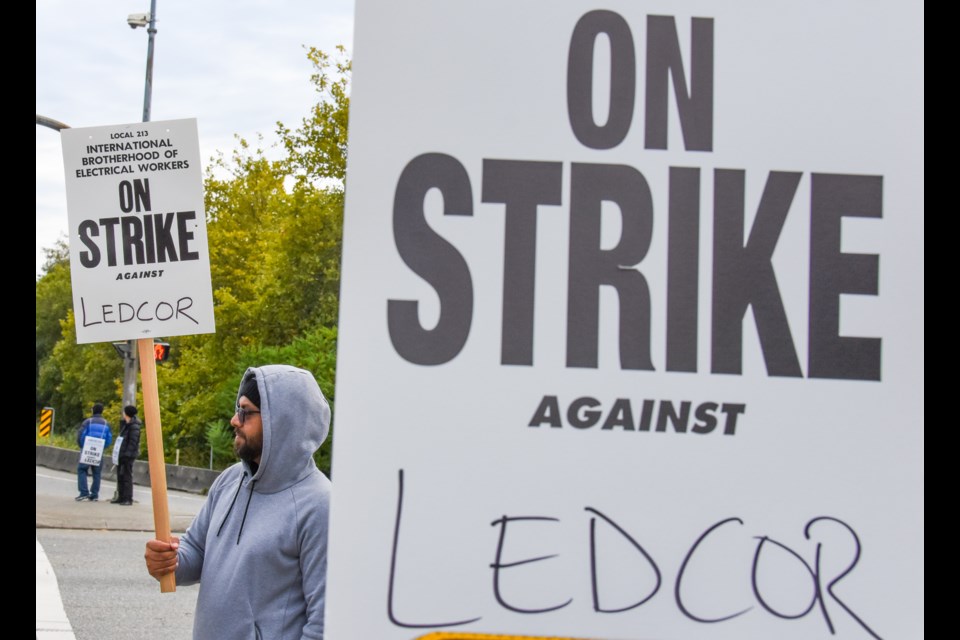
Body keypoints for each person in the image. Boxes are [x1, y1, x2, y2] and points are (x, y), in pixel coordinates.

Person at [144, 365, 332, 639]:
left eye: (246, 411)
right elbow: (195, 550)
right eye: (237, 408)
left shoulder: (320, 504)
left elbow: (324, 622)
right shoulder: (230, 480)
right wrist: (169, 561)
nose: (234, 420)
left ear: (280, 419)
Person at [76, 402, 113, 502]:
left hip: (87, 449)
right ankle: (94, 494)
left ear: (93, 410)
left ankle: (84, 492)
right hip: (99, 450)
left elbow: (81, 435)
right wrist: (102, 447)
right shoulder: (106, 423)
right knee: (97, 473)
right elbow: (109, 438)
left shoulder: (88, 422)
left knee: (82, 470)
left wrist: (82, 446)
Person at [111, 405, 142, 506]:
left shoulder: (134, 426)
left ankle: (128, 498)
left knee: (127, 476)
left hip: (128, 455)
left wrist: (127, 454)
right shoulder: (126, 425)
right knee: (120, 475)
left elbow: (133, 442)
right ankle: (121, 496)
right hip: (122, 453)